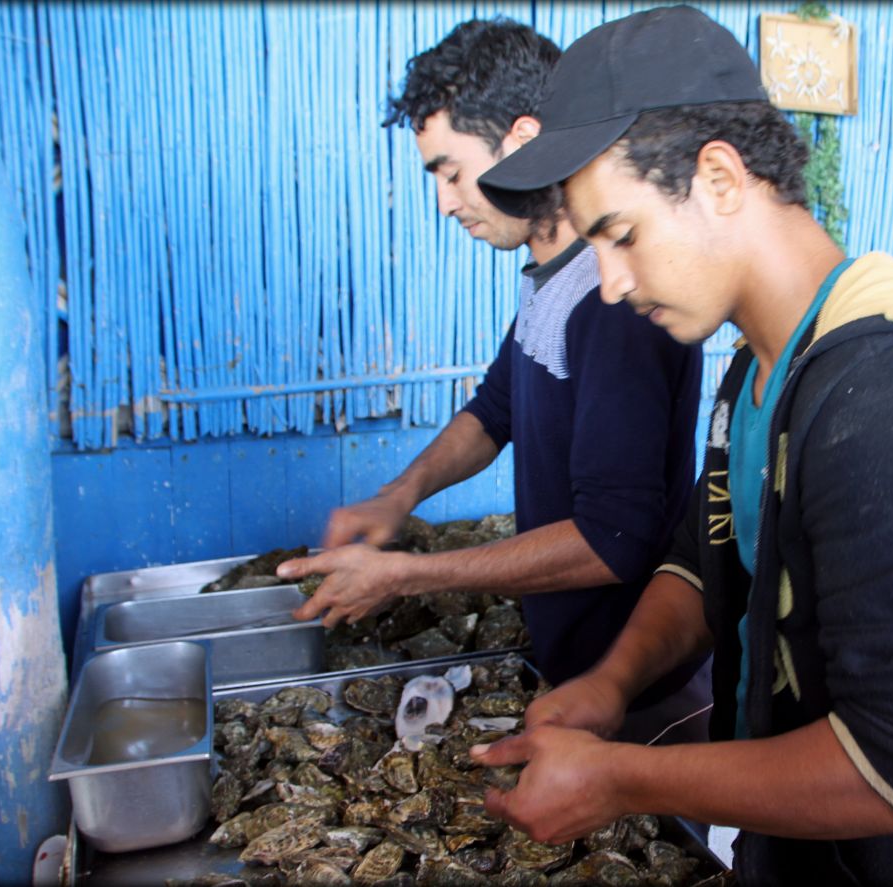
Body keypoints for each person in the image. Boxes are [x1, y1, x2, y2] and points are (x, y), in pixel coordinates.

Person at [469, 7, 893, 885]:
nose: (613, 283)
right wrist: (613, 683)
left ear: (718, 177)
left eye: (621, 235)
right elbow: (707, 563)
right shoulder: (757, 373)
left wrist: (624, 776)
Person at [280, 18, 710, 745]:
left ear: (522, 138)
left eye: (450, 171)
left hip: (639, 694)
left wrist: (408, 575)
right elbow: (496, 408)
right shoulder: (549, 276)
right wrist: (398, 497)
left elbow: (614, 540)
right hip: (568, 668)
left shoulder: (618, 299)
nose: (446, 201)